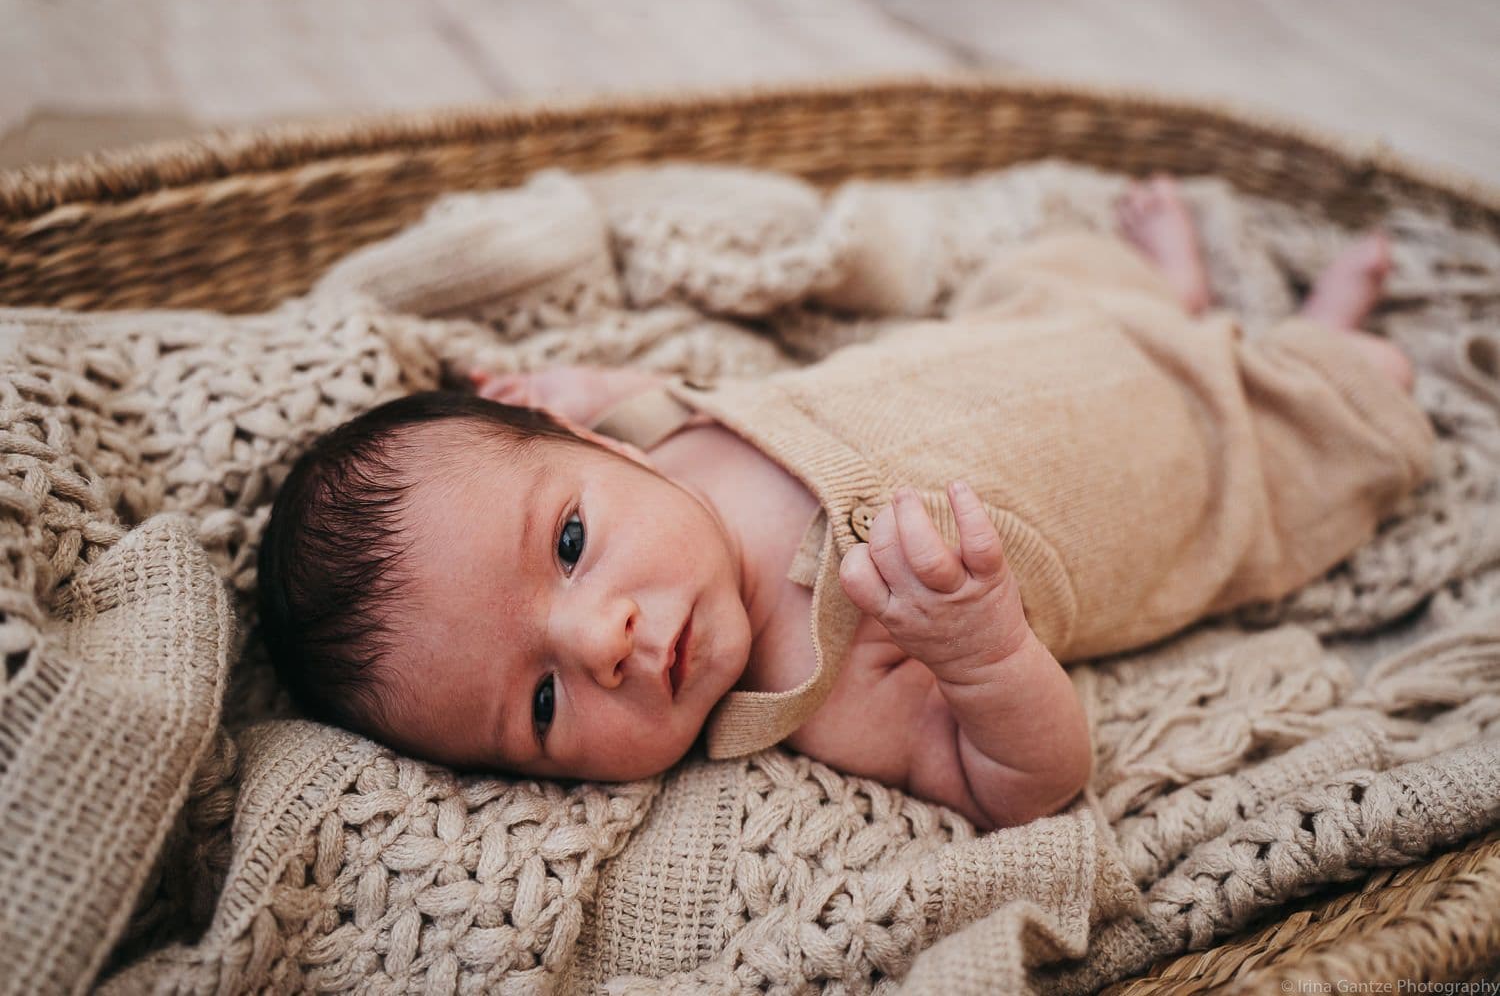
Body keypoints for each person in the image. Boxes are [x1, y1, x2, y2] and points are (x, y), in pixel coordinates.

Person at [256, 177, 1432, 830]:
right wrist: (982, 654)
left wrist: (581, 386)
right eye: (547, 705)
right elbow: (1029, 781)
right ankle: (1311, 336)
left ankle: (1172, 293)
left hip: (1039, 336)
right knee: (1364, 399)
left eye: (568, 543)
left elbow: (632, 403)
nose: (598, 638)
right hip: (1199, 460)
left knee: (1059, 275)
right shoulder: (815, 694)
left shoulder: (657, 441)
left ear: (578, 441)